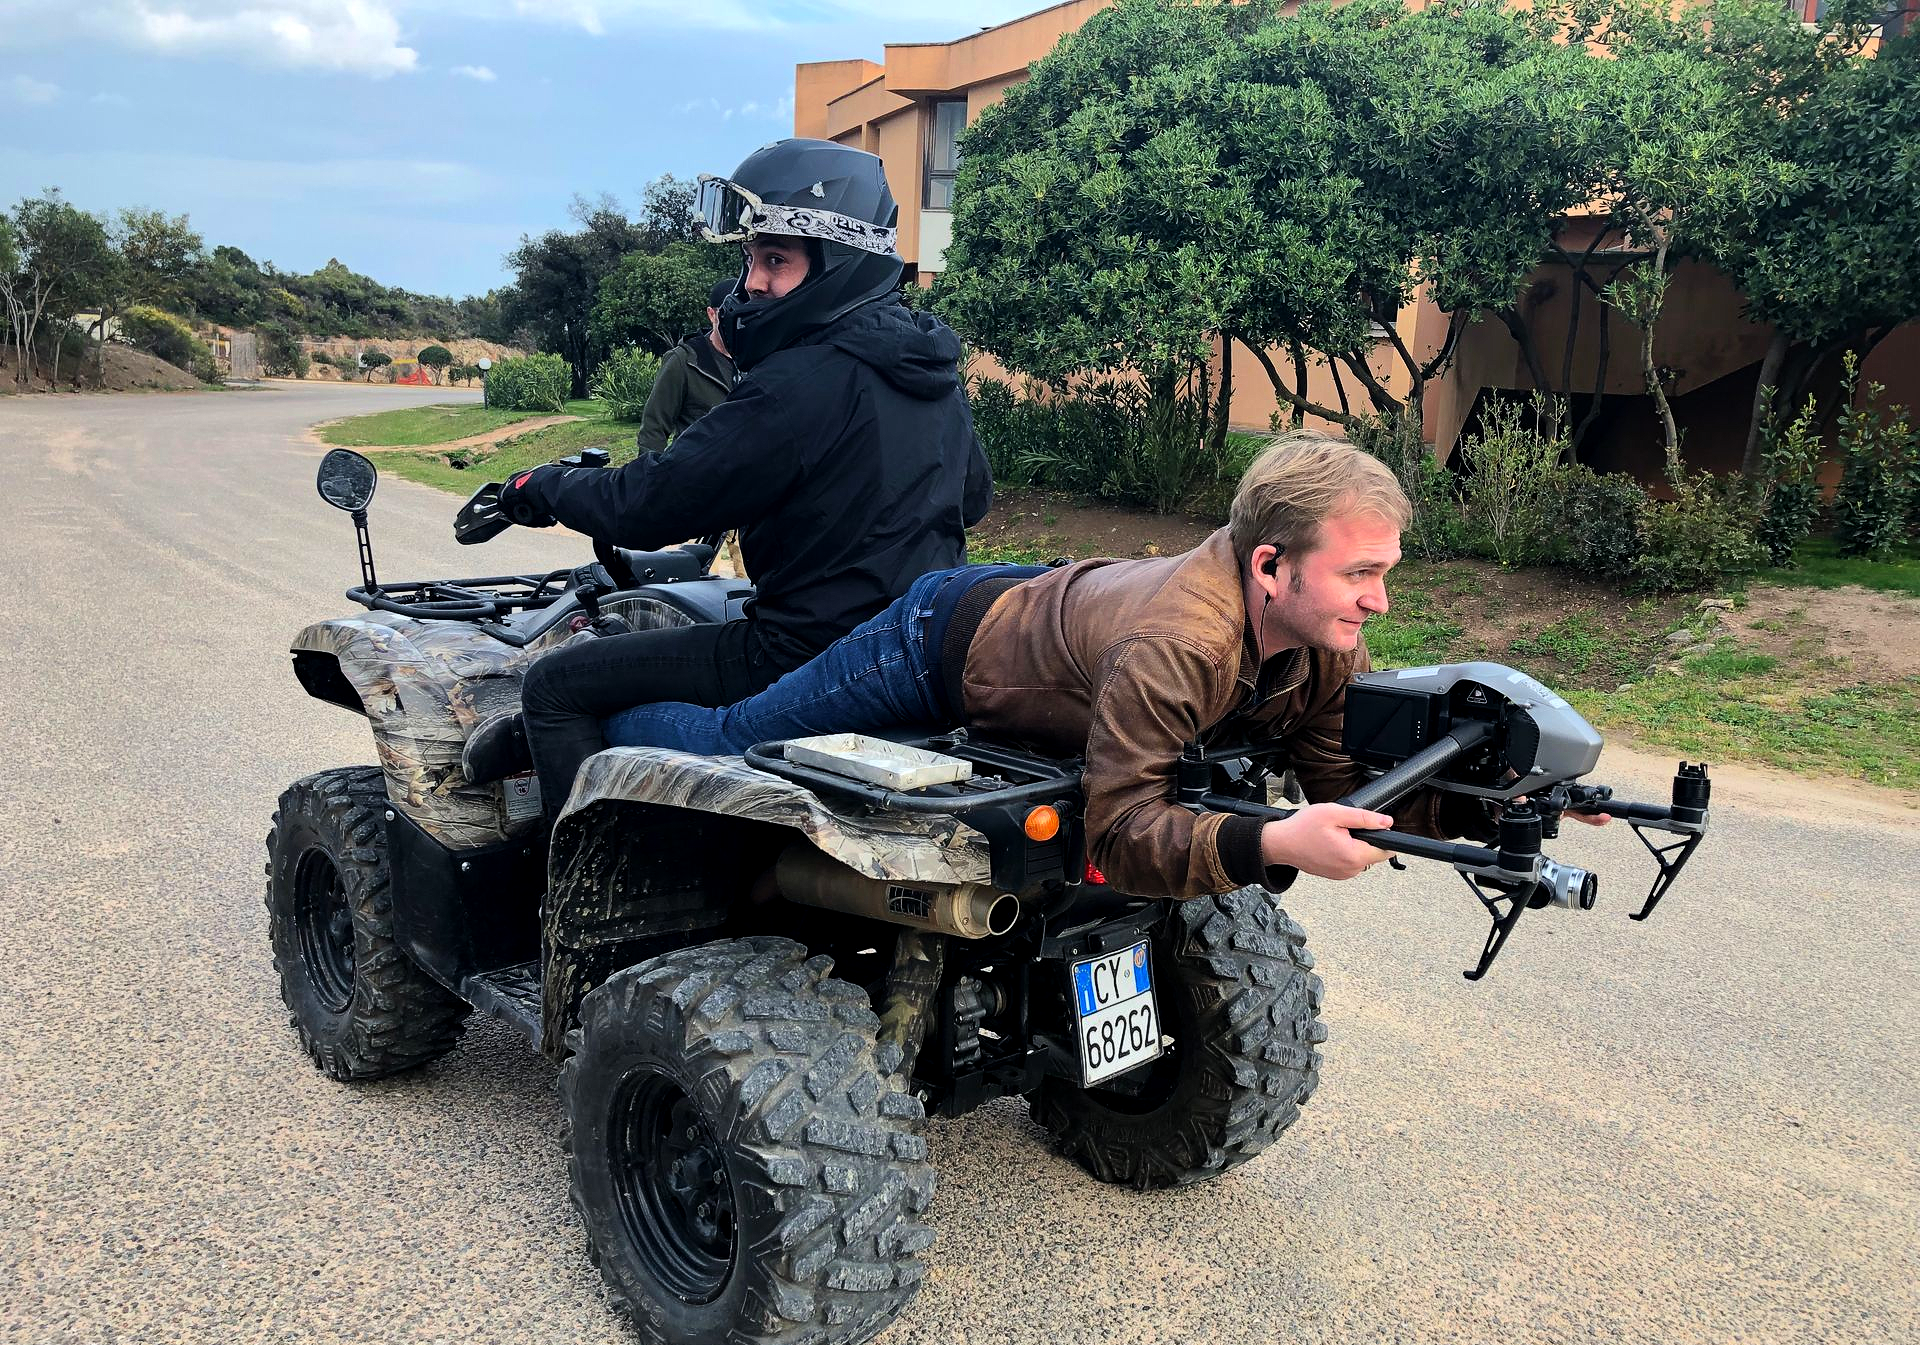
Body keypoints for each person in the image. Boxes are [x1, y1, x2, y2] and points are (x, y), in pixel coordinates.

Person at [600, 433, 1596, 899]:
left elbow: (1344, 786)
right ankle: (605, 732)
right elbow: (1120, 834)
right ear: (1269, 565)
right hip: (941, 639)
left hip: (1064, 617)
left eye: (1386, 573)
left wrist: (1504, 806)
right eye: (1361, 574)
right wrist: (1276, 843)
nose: (1379, 602)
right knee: (741, 745)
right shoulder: (1183, 644)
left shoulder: (1320, 640)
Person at [466, 139, 994, 808]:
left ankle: (574, 870)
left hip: (802, 651)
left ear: (840, 264)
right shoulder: (928, 369)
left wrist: (544, 486)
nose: (753, 283)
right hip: (908, 649)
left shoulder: (797, 383)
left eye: (776, 260)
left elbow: (649, 505)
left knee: (555, 685)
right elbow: (972, 498)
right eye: (750, 259)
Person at [634, 276, 738, 454]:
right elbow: (653, 429)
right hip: (695, 468)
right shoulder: (683, 361)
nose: (735, 322)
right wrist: (650, 470)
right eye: (728, 313)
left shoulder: (758, 360)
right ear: (711, 314)